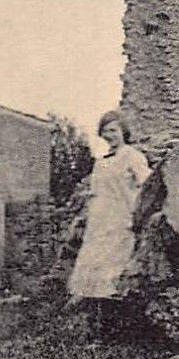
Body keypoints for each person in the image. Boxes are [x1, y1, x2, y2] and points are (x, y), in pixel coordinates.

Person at [67, 110, 151, 306]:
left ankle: (114, 310)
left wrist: (137, 214)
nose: (109, 135)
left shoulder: (132, 156)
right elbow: (95, 191)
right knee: (94, 262)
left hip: (121, 219)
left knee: (114, 267)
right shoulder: (101, 162)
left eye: (113, 130)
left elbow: (147, 185)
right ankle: (92, 312)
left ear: (124, 131)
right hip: (99, 219)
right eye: (105, 131)